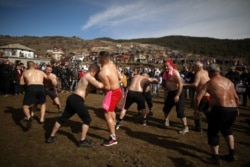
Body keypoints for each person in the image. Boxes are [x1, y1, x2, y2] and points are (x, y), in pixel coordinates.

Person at [46, 63, 104, 147]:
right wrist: (105, 81)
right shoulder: (89, 76)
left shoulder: (86, 77)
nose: (97, 74)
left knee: (63, 118)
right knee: (87, 119)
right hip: (77, 100)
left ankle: (51, 136)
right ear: (93, 70)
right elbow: (99, 85)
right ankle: (82, 141)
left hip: (72, 98)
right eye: (97, 72)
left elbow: (92, 88)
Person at [194, 64, 239, 165]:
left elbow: (198, 98)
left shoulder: (210, 83)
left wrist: (196, 110)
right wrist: (237, 109)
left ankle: (215, 157)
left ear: (210, 73)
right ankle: (232, 154)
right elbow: (236, 97)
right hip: (232, 109)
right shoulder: (229, 82)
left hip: (220, 109)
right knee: (227, 130)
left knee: (213, 132)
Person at [98, 51, 123, 146]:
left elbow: (107, 87)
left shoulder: (102, 72)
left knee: (107, 114)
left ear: (103, 59)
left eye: (98, 58)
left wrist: (98, 85)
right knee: (111, 111)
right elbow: (118, 74)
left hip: (112, 92)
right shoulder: (112, 64)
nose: (97, 59)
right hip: (118, 90)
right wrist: (118, 79)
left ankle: (113, 138)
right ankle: (114, 125)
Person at [162, 59, 189, 134]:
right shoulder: (165, 73)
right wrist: (166, 94)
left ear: (171, 65)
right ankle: (166, 121)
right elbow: (166, 85)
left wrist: (177, 95)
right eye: (164, 66)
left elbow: (181, 85)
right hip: (170, 92)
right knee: (166, 108)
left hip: (178, 92)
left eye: (167, 66)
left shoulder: (175, 73)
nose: (166, 68)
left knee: (180, 111)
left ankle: (185, 127)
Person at [20, 61, 48, 130]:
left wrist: (27, 81)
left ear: (27, 66)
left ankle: (29, 117)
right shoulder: (40, 72)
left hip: (31, 87)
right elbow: (47, 78)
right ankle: (41, 119)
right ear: (35, 65)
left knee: (25, 106)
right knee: (43, 103)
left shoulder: (25, 72)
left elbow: (21, 83)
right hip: (41, 87)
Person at [183, 61, 210, 132]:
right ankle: (212, 126)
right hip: (208, 95)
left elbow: (195, 84)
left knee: (197, 111)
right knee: (207, 111)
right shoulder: (206, 72)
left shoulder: (198, 73)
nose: (193, 68)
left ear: (198, 67)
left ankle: (199, 128)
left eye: (194, 67)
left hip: (202, 96)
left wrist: (184, 84)